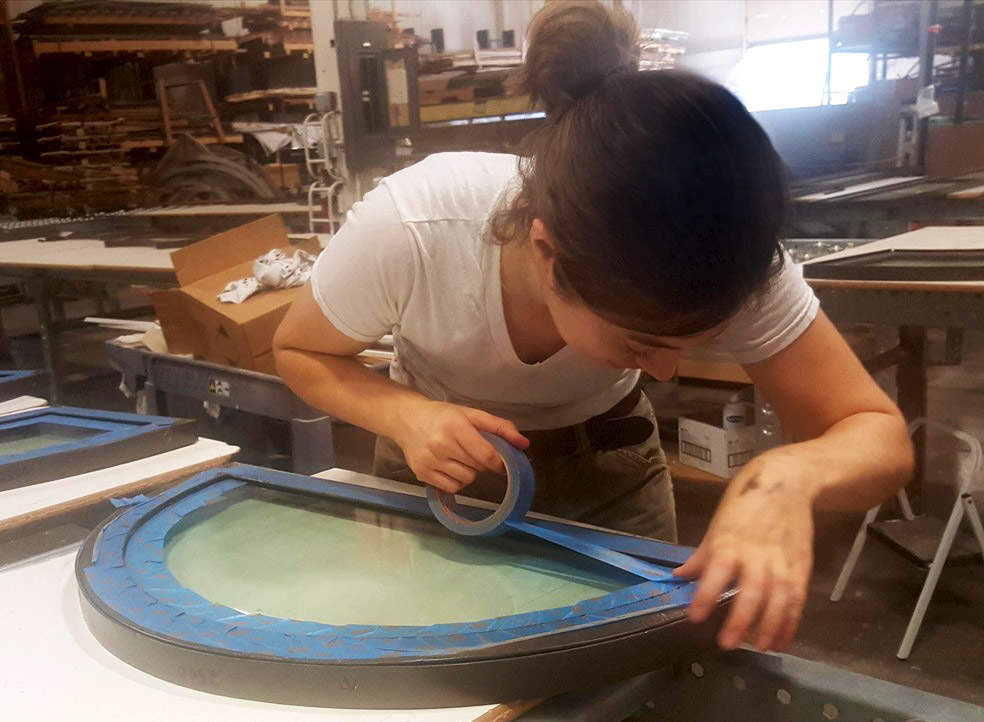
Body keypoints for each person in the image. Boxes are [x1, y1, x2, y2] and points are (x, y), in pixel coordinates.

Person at [273, 0, 912, 652]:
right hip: (444, 486)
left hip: (611, 480)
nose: (662, 373)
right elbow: (300, 351)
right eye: (641, 342)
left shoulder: (730, 260)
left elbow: (878, 435)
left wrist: (789, 479)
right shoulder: (413, 227)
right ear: (548, 256)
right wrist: (407, 417)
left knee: (626, 683)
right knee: (439, 673)